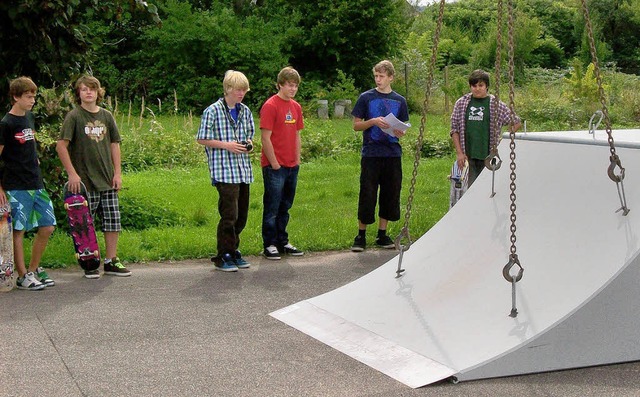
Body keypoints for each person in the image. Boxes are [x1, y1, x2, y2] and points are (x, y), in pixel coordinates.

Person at [56, 75, 131, 279]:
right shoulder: (74, 116)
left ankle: (111, 260)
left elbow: (115, 144)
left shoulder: (106, 116)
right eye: (84, 89)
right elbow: (61, 145)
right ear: (78, 93)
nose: (88, 92)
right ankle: (89, 261)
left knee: (112, 221)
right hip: (85, 182)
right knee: (85, 223)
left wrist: (118, 173)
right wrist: (72, 173)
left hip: (107, 179)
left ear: (99, 93)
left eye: (92, 89)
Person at [0, 76, 56, 290]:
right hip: (16, 185)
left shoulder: (30, 118)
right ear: (16, 97)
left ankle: (33, 269)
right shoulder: (6, 124)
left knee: (48, 226)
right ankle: (22, 275)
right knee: (19, 231)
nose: (32, 100)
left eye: (34, 96)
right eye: (28, 96)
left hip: (36, 182)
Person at [196, 70, 255, 272]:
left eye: (244, 90)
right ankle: (223, 254)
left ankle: (234, 249)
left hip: (242, 170)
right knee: (229, 214)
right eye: (239, 90)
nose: (242, 94)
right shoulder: (212, 111)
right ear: (228, 88)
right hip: (223, 170)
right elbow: (202, 138)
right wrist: (226, 145)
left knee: (242, 214)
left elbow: (250, 137)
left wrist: (248, 144)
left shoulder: (245, 111)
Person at [350, 60, 409, 252]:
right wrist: (373, 122)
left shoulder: (400, 100)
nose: (378, 80)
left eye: (382, 76)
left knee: (390, 193)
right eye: (376, 76)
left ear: (391, 77)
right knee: (367, 192)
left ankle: (382, 233)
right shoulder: (366, 98)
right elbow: (356, 125)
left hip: (392, 153)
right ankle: (361, 234)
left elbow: (403, 126)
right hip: (371, 152)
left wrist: (400, 132)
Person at [260, 66, 305, 260]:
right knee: (272, 205)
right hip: (274, 166)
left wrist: (297, 158)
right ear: (280, 85)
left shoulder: (296, 107)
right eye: (288, 85)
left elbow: (297, 134)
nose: (292, 89)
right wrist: (275, 163)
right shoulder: (271, 105)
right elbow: (265, 138)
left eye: (295, 86)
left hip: (291, 165)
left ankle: (282, 240)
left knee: (285, 205)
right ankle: (269, 243)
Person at [450, 69, 521, 187]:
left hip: (488, 154)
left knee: (488, 187)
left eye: (481, 85)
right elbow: (454, 129)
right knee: (469, 188)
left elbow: (516, 122)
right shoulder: (461, 103)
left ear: (486, 86)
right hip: (468, 154)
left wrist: (503, 139)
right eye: (474, 85)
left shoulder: (495, 104)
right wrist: (459, 153)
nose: (477, 89)